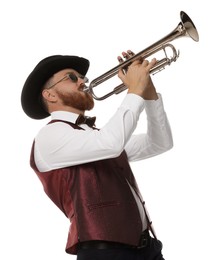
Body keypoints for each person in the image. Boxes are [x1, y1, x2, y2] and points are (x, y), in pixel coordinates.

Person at [21, 52, 173, 260]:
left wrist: (148, 94)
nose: (83, 81)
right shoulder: (49, 136)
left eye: (83, 77)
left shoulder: (96, 135)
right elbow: (111, 143)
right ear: (50, 95)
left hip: (148, 248)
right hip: (105, 253)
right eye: (72, 77)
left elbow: (159, 143)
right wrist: (135, 89)